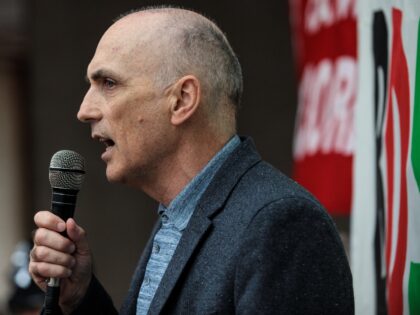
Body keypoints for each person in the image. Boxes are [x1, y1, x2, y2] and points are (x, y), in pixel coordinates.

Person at [28, 6, 354, 315]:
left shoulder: (282, 225)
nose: (85, 110)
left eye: (109, 84)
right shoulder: (178, 216)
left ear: (182, 100)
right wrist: (81, 298)